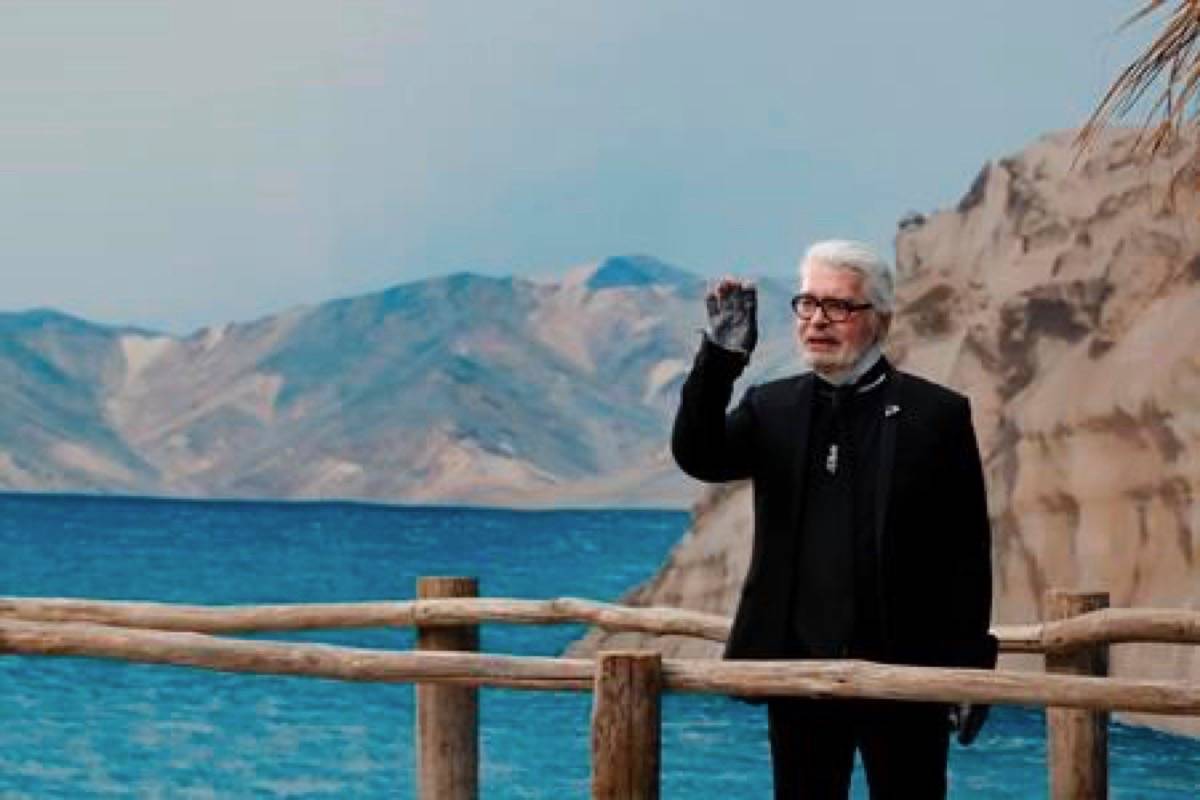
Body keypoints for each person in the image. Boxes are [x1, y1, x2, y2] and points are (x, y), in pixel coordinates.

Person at [671, 240, 997, 799]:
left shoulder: (937, 415)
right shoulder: (771, 407)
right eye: (808, 304)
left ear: (880, 320)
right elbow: (698, 455)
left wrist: (970, 671)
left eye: (839, 307)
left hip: (906, 680)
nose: (819, 320)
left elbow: (966, 553)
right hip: (799, 678)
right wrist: (720, 362)